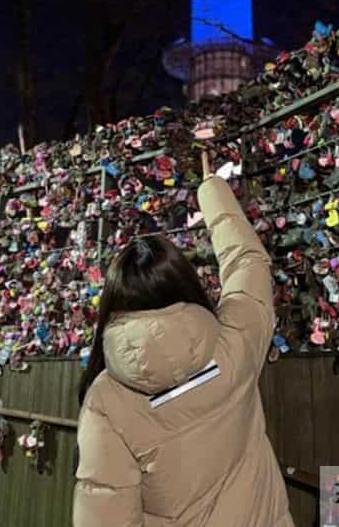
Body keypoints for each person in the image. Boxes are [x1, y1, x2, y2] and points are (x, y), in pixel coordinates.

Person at [73, 151, 295, 527]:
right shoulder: (235, 342)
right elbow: (248, 262)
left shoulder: (107, 401)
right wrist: (212, 189)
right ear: (186, 285)